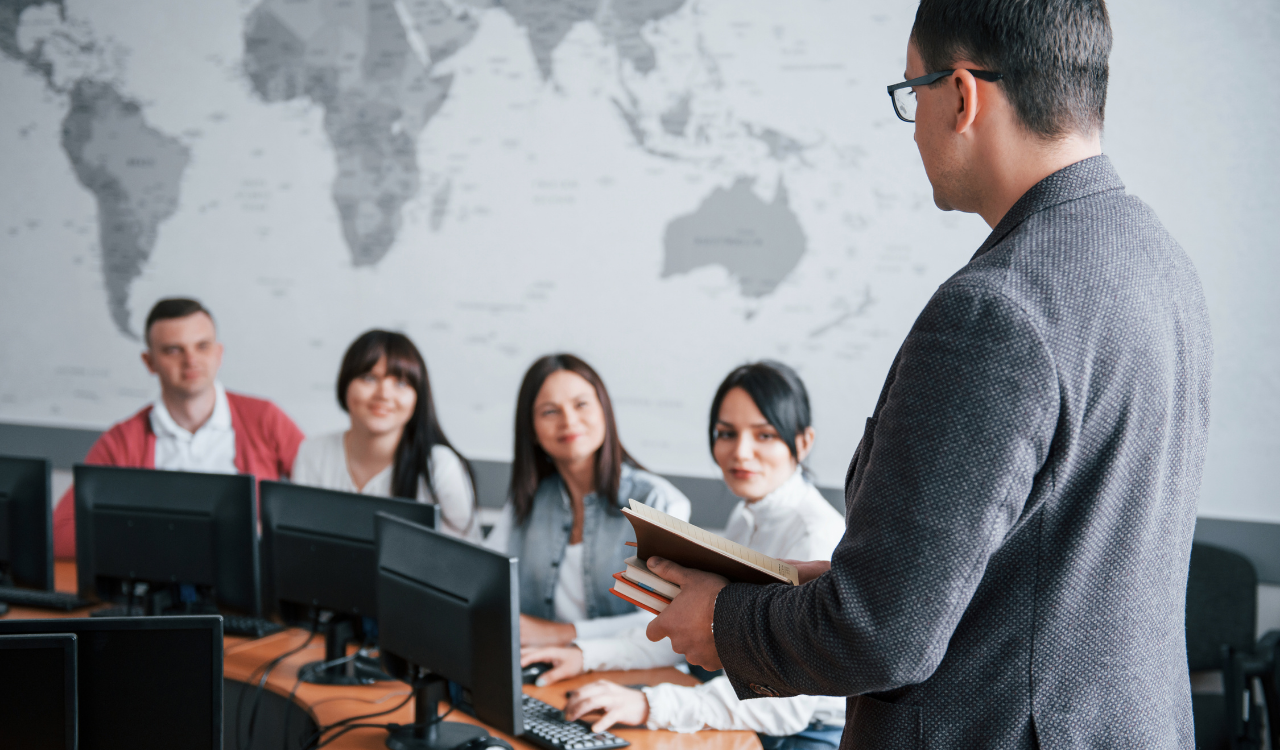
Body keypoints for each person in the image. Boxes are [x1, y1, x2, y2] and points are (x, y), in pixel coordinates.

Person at [646, 2, 1213, 747]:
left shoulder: (995, 310)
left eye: (912, 93)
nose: (912, 125)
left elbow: (882, 637)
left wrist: (725, 623)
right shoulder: (1162, 264)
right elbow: (1054, 561)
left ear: (963, 95)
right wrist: (842, 585)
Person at [524, 362, 847, 749]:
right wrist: (586, 655)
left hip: (801, 735)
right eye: (726, 433)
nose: (741, 452)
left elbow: (784, 705)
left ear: (804, 441)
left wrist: (648, 704)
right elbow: (687, 623)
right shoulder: (747, 517)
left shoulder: (814, 533)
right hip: (740, 707)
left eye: (765, 434)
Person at [52, 298, 305, 558]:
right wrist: (154, 535)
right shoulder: (122, 441)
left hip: (251, 586)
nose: (191, 360)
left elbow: (320, 510)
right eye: (174, 350)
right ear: (149, 362)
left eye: (202, 346)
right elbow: (59, 534)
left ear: (219, 354)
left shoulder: (265, 418)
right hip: (160, 586)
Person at [484, 353, 691, 648]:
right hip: (543, 670)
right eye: (549, 411)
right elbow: (481, 581)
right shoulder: (527, 500)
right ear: (531, 428)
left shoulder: (658, 501)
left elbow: (662, 620)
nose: (568, 421)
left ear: (604, 410)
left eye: (581, 404)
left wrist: (562, 634)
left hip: (631, 677)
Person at [292, 330, 479, 540]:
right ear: (345, 384)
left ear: (418, 397)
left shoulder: (439, 466)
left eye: (400, 383)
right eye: (369, 378)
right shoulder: (314, 453)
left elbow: (469, 559)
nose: (383, 394)